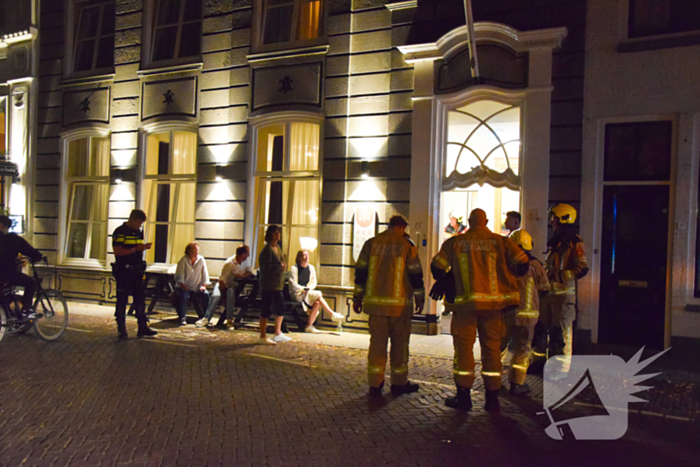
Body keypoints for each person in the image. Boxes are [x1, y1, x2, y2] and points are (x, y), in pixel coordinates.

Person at [430, 208, 529, 413]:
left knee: (463, 351)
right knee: (492, 350)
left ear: (469, 221)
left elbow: (437, 268)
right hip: (493, 308)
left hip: (465, 307)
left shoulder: (455, 243)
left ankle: (463, 398)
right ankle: (492, 400)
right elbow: (523, 264)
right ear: (487, 221)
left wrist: (449, 277)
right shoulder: (500, 242)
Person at [353, 215, 425, 397]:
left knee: (377, 346)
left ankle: (375, 385)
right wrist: (420, 298)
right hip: (400, 307)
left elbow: (360, 273)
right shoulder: (407, 245)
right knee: (400, 346)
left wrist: (357, 298)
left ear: (390, 226)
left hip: (376, 308)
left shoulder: (371, 244)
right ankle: (399, 383)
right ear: (402, 226)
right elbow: (416, 275)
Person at [532, 204, 589, 376]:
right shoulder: (557, 241)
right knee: (542, 328)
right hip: (549, 295)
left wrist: (561, 276)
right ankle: (539, 363)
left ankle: (560, 370)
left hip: (564, 296)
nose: (551, 221)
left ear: (564, 219)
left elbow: (582, 268)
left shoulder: (574, 242)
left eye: (554, 218)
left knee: (561, 333)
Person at [501, 229, 549, 396]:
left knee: (498, 348)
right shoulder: (536, 265)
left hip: (506, 313)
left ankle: (493, 382)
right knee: (522, 350)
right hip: (528, 316)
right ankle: (517, 384)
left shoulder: (504, 263)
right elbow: (544, 289)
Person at [111, 209, 157, 339]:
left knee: (140, 299)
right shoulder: (120, 232)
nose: (139, 226)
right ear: (131, 219)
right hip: (124, 270)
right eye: (138, 223)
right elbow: (118, 251)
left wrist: (142, 249)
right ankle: (121, 329)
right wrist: (135, 249)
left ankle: (142, 327)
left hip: (137, 270)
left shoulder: (138, 233)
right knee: (122, 300)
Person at [196, 244, 254, 329]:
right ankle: (206, 318)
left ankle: (229, 320)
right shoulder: (229, 263)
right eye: (247, 254)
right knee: (216, 296)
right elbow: (221, 280)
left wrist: (241, 276)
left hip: (232, 286)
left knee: (230, 293)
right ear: (242, 254)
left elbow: (250, 272)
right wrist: (223, 297)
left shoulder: (245, 262)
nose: (248, 256)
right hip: (222, 285)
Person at [290, 249, 345, 333]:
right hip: (298, 294)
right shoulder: (294, 268)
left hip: (308, 293)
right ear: (300, 257)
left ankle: (309, 326)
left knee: (317, 303)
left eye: (307, 255)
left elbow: (313, 282)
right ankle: (332, 314)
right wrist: (302, 289)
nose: (307, 257)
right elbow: (293, 284)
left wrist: (308, 288)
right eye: (304, 255)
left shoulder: (311, 268)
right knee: (318, 294)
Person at [0, 215, 44, 321]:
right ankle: (26, 311)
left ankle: (7, 313)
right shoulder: (13, 239)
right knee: (31, 283)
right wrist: (38, 256)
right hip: (7, 274)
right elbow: (28, 250)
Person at [258, 225, 291, 345]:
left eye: (279, 233)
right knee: (266, 309)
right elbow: (265, 267)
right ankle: (262, 335)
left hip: (278, 284)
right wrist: (279, 267)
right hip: (269, 285)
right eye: (276, 233)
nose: (278, 235)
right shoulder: (267, 250)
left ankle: (278, 332)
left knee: (281, 307)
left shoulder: (278, 248)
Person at [174, 242, 210, 326]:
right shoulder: (183, 260)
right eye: (194, 250)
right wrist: (184, 286)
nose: (196, 252)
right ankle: (182, 317)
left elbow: (205, 273)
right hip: (183, 286)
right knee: (184, 296)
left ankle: (205, 317)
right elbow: (179, 276)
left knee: (206, 295)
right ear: (188, 251)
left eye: (197, 250)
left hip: (196, 286)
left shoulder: (201, 259)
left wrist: (203, 286)